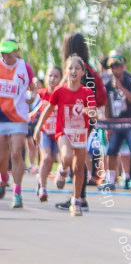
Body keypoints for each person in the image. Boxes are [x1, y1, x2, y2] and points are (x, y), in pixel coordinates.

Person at [34, 56, 99, 216]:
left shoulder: (87, 92)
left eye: (77, 68)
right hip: (63, 132)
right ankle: (62, 169)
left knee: (78, 168)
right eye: (70, 68)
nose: (73, 71)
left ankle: (76, 201)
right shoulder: (60, 91)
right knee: (67, 156)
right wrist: (38, 128)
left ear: (83, 72)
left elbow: (94, 115)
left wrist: (92, 114)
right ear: (66, 71)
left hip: (81, 134)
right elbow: (48, 109)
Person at [100, 51, 131, 193]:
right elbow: (106, 105)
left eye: (118, 66)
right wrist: (107, 126)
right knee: (111, 151)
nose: (115, 69)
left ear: (123, 66)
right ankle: (111, 180)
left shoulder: (130, 81)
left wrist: (121, 88)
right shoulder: (106, 83)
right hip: (115, 123)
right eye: (113, 67)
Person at [0, 38, 33, 208]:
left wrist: (31, 98)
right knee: (2, 156)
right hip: (0, 118)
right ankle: (3, 178)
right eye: (3, 52)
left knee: (15, 153)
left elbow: (33, 88)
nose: (6, 55)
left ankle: (17, 191)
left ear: (16, 51)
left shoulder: (24, 67)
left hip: (18, 117)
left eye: (9, 52)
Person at [32, 66, 63, 202]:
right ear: (45, 78)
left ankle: (46, 176)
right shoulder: (42, 93)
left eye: (56, 76)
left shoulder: (62, 94)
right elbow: (43, 105)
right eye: (50, 76)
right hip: (44, 131)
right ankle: (43, 188)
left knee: (52, 160)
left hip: (57, 132)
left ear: (60, 79)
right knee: (46, 158)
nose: (52, 79)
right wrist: (34, 113)